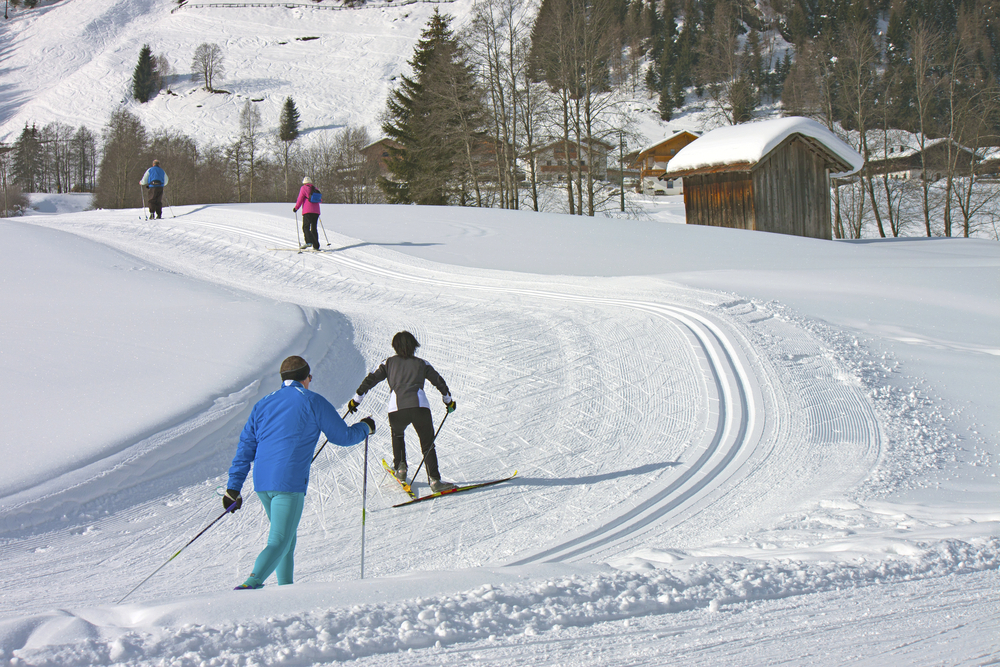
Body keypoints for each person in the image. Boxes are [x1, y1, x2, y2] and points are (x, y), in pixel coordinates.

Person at [224, 355, 374, 590]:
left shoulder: (263, 404)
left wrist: (233, 488)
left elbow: (246, 448)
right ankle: (250, 584)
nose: (310, 380)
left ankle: (287, 590)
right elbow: (342, 437)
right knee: (280, 541)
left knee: (287, 540)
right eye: (309, 377)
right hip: (289, 482)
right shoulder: (312, 401)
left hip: (263, 483)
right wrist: (365, 428)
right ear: (305, 378)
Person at [348, 331, 457, 493]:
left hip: (396, 409)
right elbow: (439, 381)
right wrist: (448, 401)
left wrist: (356, 400)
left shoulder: (388, 363)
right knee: (427, 444)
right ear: (414, 346)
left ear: (395, 346)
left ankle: (401, 469)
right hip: (420, 408)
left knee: (397, 435)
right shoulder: (422, 363)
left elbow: (371, 380)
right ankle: (435, 481)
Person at [293, 176, 321, 251]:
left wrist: (296, 208)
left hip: (307, 211)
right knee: (314, 228)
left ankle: (308, 241)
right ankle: (316, 246)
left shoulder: (304, 188)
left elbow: (300, 199)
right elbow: (320, 200)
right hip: (316, 212)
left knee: (306, 226)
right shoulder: (315, 189)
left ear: (304, 183)